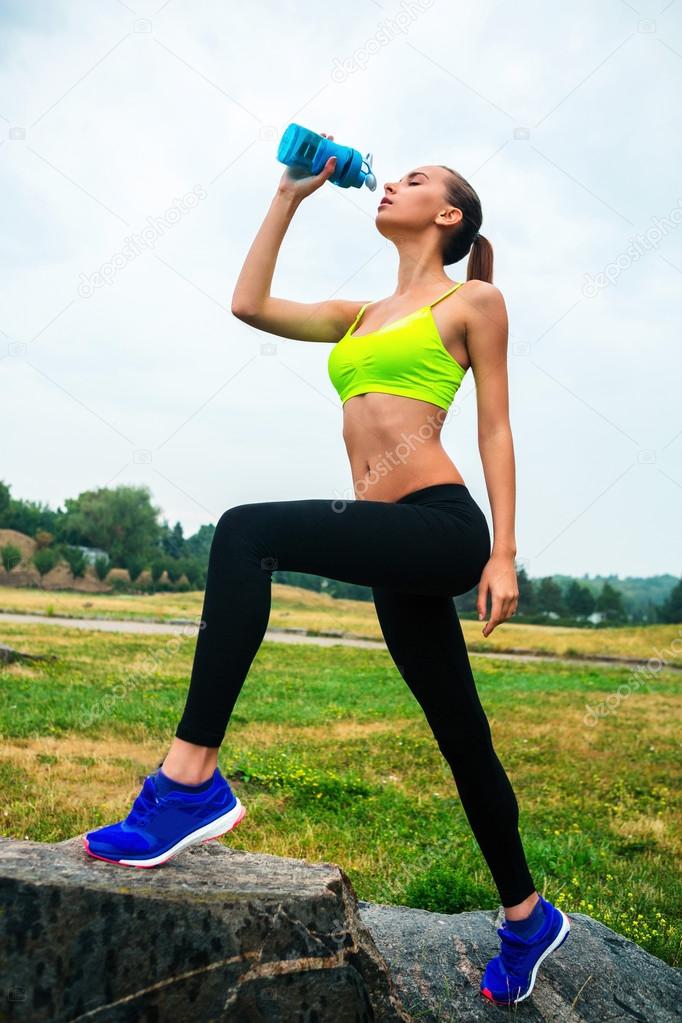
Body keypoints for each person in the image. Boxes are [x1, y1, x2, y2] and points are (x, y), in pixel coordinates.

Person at [84, 134, 570, 1005]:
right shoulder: (356, 315)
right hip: (392, 550)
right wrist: (290, 195)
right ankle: (527, 914)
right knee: (463, 735)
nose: (390, 183)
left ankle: (188, 781)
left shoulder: (475, 302)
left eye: (414, 180)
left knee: (243, 533)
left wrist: (502, 550)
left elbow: (496, 425)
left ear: (448, 215)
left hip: (441, 526)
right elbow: (248, 303)